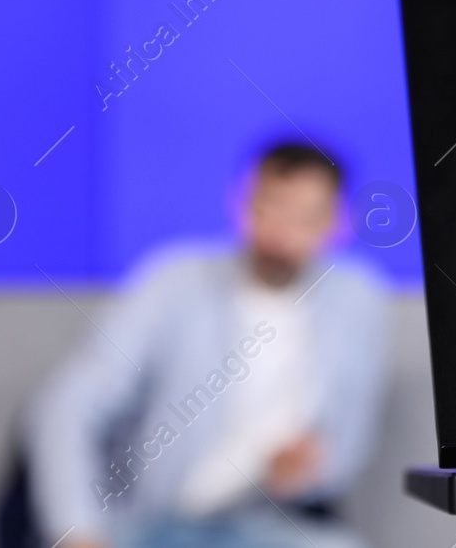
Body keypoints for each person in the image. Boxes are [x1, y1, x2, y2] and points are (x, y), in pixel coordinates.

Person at [26, 142, 391, 548]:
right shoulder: (174, 282)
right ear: (241, 201)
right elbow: (71, 405)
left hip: (265, 521)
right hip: (153, 522)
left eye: (304, 216)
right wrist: (77, 529)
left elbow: (348, 444)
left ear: (335, 222)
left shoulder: (356, 299)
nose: (281, 231)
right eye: (269, 206)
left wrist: (309, 469)